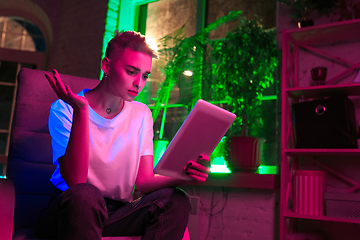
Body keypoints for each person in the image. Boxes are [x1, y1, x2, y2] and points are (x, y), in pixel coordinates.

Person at [36, 30, 210, 240]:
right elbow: (76, 180)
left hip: (116, 213)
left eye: (145, 75)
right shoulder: (64, 109)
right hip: (70, 209)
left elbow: (144, 182)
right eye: (131, 72)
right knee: (86, 195)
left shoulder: (141, 114)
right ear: (106, 66)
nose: (139, 83)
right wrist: (82, 111)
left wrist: (185, 176)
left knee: (177, 200)